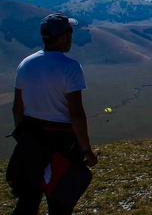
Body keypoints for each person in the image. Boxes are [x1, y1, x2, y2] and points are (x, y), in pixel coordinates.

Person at [7, 13, 98, 215]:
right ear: (64, 36)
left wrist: (24, 141)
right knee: (60, 203)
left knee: (27, 202)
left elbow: (17, 109)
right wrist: (86, 150)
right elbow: (76, 114)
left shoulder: (25, 64)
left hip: (31, 140)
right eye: (70, 33)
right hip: (62, 144)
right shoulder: (70, 67)